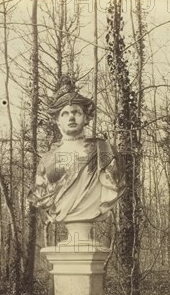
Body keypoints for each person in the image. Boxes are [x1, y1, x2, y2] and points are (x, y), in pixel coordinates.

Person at [28, 84, 125, 225]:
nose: (71, 118)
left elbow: (115, 183)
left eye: (76, 113)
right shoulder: (47, 159)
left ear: (86, 118)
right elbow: (41, 194)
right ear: (58, 121)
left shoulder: (103, 150)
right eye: (65, 114)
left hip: (93, 211)